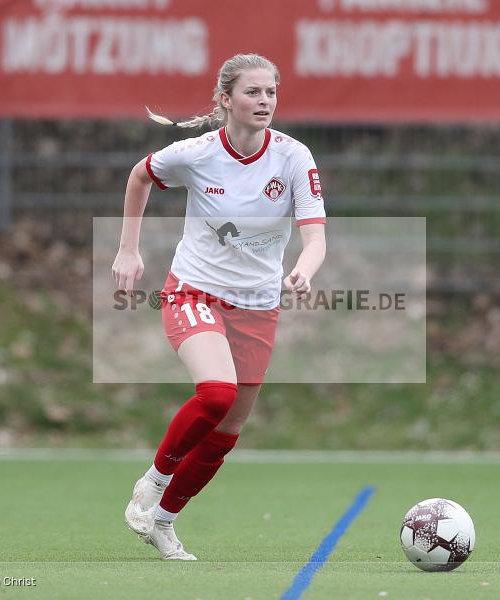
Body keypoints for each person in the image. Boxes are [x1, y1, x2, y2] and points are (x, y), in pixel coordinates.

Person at [111, 53, 327, 561]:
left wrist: (306, 267)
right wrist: (127, 248)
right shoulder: (197, 153)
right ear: (224, 100)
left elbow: (315, 236)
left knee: (228, 432)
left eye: (271, 92)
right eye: (253, 92)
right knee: (216, 394)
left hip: (257, 306)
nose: (265, 101)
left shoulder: (295, 157)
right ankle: (152, 481)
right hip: (195, 292)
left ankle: (162, 521)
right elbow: (140, 176)